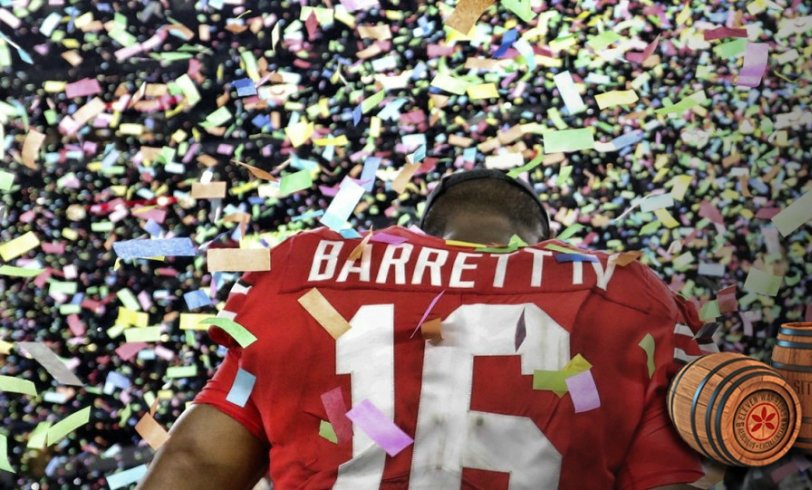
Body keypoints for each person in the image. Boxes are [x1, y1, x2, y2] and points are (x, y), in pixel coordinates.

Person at [138, 169, 709, 489]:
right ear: (540, 243)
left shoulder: (302, 279)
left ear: (427, 232)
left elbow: (195, 465)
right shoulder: (629, 298)